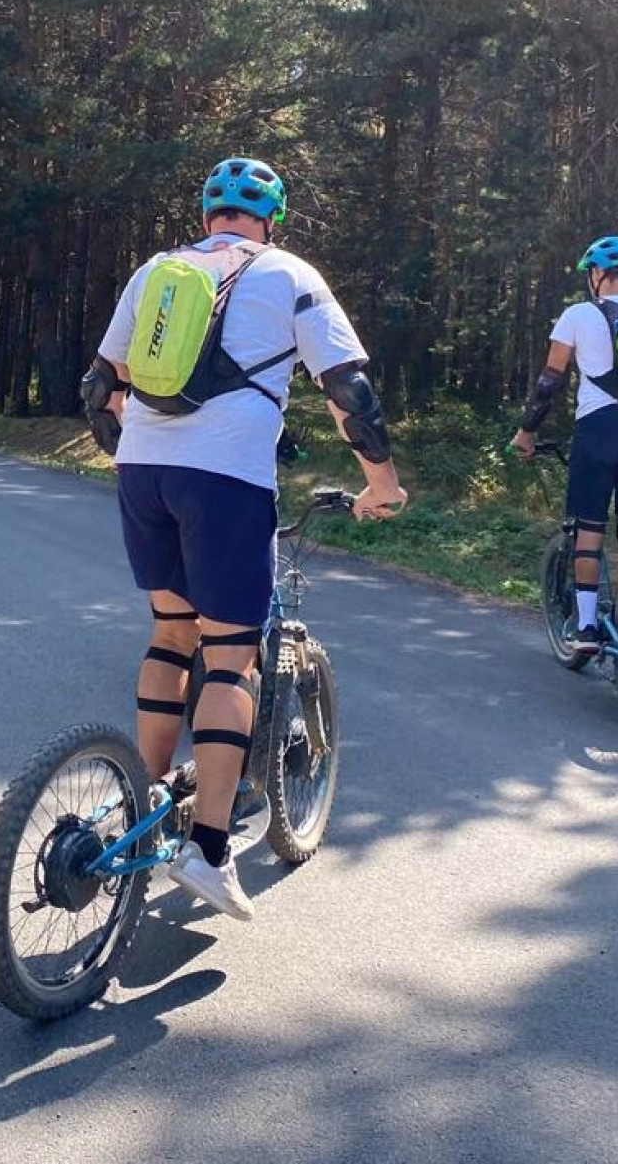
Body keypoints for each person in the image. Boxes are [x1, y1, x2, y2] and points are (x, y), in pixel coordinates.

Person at [80, 156, 408, 922]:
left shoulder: (155, 270)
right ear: (274, 217)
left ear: (207, 215)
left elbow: (100, 388)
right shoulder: (290, 272)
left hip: (143, 473)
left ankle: (146, 803)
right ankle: (211, 851)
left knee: (170, 634)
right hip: (225, 479)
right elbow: (348, 391)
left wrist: (139, 454)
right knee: (230, 655)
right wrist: (382, 481)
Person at [510, 234, 618, 655]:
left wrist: (527, 431)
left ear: (597, 275)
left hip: (597, 430)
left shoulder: (577, 315)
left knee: (589, 530)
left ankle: (586, 627)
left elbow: (549, 381)